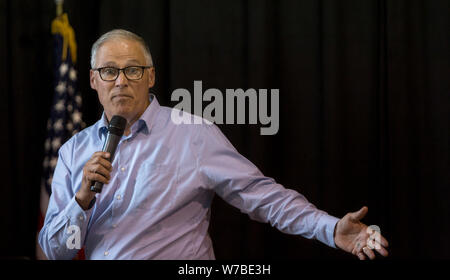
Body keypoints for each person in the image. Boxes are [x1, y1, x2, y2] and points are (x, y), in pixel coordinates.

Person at [39, 29, 389, 260]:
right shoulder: (74, 150)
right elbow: (56, 252)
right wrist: (81, 199)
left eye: (132, 70)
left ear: (151, 76)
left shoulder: (193, 134)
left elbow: (263, 197)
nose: (120, 81)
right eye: (109, 71)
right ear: (92, 80)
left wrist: (329, 229)